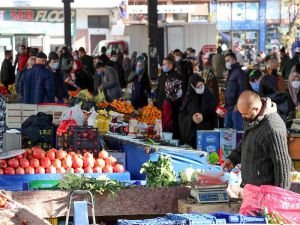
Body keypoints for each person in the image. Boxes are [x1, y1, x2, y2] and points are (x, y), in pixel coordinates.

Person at [222, 90, 291, 189]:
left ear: (255, 109)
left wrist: (279, 197)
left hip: (266, 192)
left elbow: (282, 164)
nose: (243, 117)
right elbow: (246, 142)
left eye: (245, 114)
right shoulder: (252, 118)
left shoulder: (272, 127)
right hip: (251, 189)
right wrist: (232, 159)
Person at [178, 75, 217, 148]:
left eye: (202, 85)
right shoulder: (188, 99)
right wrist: (191, 118)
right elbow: (182, 116)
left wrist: (203, 117)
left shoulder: (209, 96)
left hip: (208, 136)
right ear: (192, 87)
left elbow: (214, 114)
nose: (201, 88)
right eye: (198, 86)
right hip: (192, 136)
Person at [224, 52, 248, 131]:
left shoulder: (239, 72)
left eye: (228, 60)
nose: (227, 63)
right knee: (228, 132)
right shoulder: (231, 72)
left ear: (234, 60)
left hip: (236, 107)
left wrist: (238, 104)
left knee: (237, 131)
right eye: (226, 61)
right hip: (229, 107)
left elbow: (243, 88)